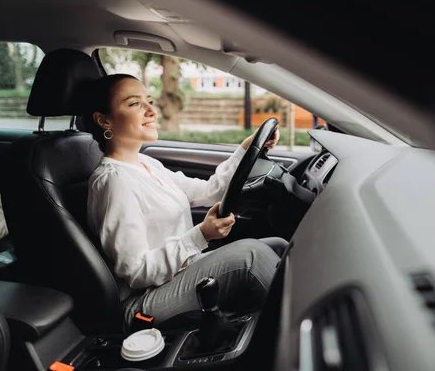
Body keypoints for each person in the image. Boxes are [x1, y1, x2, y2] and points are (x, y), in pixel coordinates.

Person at [82, 73, 287, 328]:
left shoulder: (147, 164)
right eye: (134, 104)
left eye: (149, 101)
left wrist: (245, 149)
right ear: (104, 120)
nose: (150, 111)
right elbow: (136, 271)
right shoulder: (114, 182)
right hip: (143, 301)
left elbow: (209, 192)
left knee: (278, 246)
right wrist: (201, 235)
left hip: (180, 274)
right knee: (252, 258)